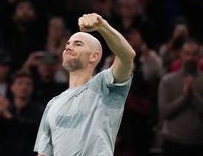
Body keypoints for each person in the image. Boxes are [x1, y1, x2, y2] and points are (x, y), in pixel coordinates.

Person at [34, 13, 136, 156]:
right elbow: (44, 153)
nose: (68, 47)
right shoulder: (52, 103)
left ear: (94, 56)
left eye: (78, 44)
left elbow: (127, 56)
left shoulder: (104, 84)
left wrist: (103, 26)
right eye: (67, 44)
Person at [158, 39, 203, 156]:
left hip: (198, 142)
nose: (190, 58)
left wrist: (192, 94)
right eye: (187, 54)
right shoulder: (168, 81)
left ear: (200, 56)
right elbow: (165, 112)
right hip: (173, 142)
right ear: (181, 55)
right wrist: (185, 97)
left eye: (194, 54)